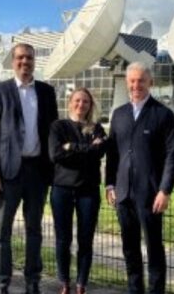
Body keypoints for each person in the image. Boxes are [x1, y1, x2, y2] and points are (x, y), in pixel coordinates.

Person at [0, 43, 59, 294]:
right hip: (6, 173)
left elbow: (52, 132)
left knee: (34, 230)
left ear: (34, 61)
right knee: (1, 231)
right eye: (20, 58)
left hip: (37, 171)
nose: (24, 62)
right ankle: (2, 283)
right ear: (12, 61)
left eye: (29, 58)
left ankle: (32, 281)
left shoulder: (47, 92)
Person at [105, 61, 174, 294]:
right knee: (129, 248)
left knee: (154, 248)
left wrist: (165, 190)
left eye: (141, 80)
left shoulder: (163, 114)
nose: (136, 85)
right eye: (132, 81)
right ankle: (134, 289)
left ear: (151, 82)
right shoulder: (119, 114)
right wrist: (109, 185)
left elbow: (172, 155)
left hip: (150, 194)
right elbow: (113, 154)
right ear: (127, 83)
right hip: (123, 193)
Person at [48, 88, 107, 294]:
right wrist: (85, 148)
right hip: (62, 189)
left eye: (85, 102)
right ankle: (64, 282)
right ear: (70, 102)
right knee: (63, 238)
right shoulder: (58, 126)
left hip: (88, 191)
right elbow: (55, 155)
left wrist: (70, 147)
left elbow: (99, 152)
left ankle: (82, 283)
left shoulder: (97, 129)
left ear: (90, 105)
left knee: (85, 239)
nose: (81, 105)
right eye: (77, 101)